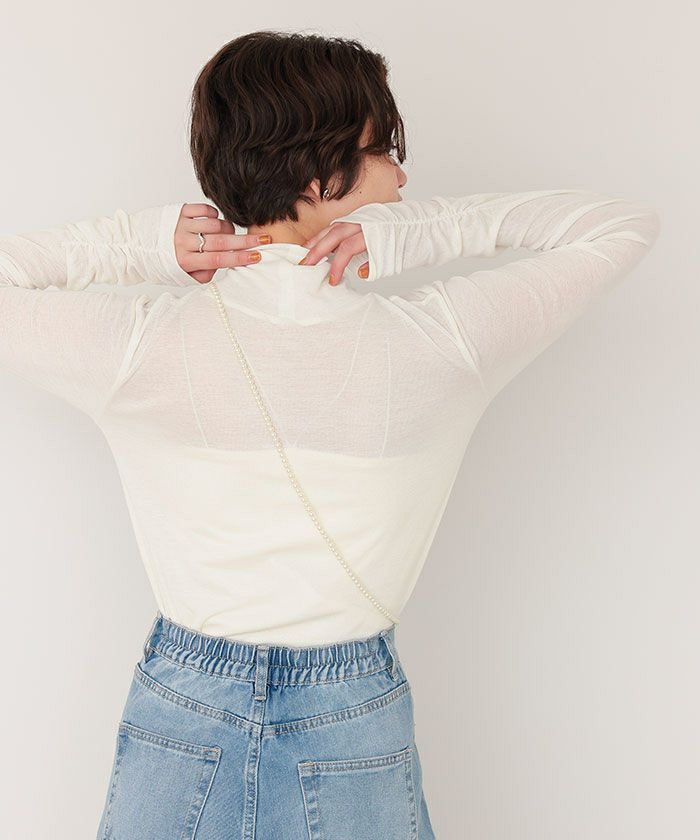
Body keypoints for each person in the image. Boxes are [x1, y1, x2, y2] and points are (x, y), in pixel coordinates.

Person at [0, 30, 659, 840]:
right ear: (320, 177)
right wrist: (425, 233)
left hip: (184, 706)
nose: (402, 178)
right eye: (384, 151)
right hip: (350, 716)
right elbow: (619, 227)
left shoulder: (141, 344)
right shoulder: (440, 341)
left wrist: (139, 244)